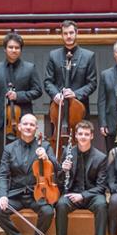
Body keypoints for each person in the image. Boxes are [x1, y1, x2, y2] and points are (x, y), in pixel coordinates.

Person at [0, 113, 58, 235]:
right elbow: (2, 174)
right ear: (20, 127)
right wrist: (2, 195)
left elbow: (57, 168)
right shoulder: (9, 149)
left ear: (36, 128)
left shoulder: (45, 145)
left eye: (32, 124)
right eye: (26, 124)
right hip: (16, 194)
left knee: (47, 211)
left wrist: (47, 159)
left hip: (38, 194)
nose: (28, 127)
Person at [0, 33, 43, 166]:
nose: (14, 50)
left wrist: (19, 96)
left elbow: (37, 91)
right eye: (10, 47)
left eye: (17, 47)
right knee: (3, 153)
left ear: (21, 50)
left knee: (24, 155)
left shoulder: (30, 68)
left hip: (23, 120)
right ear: (5, 49)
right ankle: (1, 184)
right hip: (2, 120)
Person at [54, 119, 107, 235]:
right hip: (72, 194)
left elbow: (101, 187)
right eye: (80, 134)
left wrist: (82, 195)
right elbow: (59, 181)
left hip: (92, 195)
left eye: (86, 134)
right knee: (61, 204)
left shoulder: (101, 157)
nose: (83, 136)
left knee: (102, 205)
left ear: (91, 136)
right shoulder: (67, 152)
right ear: (76, 136)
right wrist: (62, 170)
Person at [44, 21, 97, 158]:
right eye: (65, 33)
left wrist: (76, 94)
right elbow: (48, 81)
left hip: (79, 111)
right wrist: (55, 94)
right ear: (61, 35)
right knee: (56, 146)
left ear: (77, 33)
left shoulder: (88, 56)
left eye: (71, 33)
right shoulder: (53, 55)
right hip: (58, 110)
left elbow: (92, 83)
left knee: (81, 148)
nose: (68, 36)